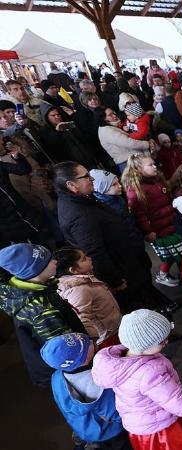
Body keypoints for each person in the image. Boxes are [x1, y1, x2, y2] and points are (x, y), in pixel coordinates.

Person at [56, 162, 172, 314]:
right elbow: (95, 251)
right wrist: (114, 279)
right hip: (122, 272)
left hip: (127, 263)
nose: (91, 179)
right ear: (71, 184)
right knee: (142, 308)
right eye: (86, 176)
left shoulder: (81, 200)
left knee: (147, 296)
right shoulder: (79, 214)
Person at [91, 309, 182, 450]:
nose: (167, 341)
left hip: (141, 424)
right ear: (144, 346)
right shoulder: (150, 373)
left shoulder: (120, 361)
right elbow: (178, 403)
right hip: (161, 429)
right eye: (161, 341)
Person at [0, 243, 86, 387]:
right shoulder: (42, 310)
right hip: (66, 368)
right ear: (36, 271)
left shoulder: (22, 289)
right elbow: (66, 348)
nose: (55, 261)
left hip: (46, 364)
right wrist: (86, 356)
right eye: (49, 260)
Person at [122, 154, 182, 288]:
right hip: (158, 230)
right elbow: (139, 215)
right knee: (173, 254)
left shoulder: (157, 180)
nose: (155, 166)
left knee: (178, 252)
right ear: (139, 168)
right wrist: (148, 231)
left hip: (171, 223)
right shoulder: (136, 189)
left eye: (154, 163)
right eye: (150, 165)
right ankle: (168, 275)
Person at [54, 248, 122, 347]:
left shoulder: (84, 279)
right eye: (84, 259)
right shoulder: (78, 290)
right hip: (107, 338)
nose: (89, 258)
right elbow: (82, 318)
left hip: (114, 329)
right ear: (73, 270)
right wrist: (92, 342)